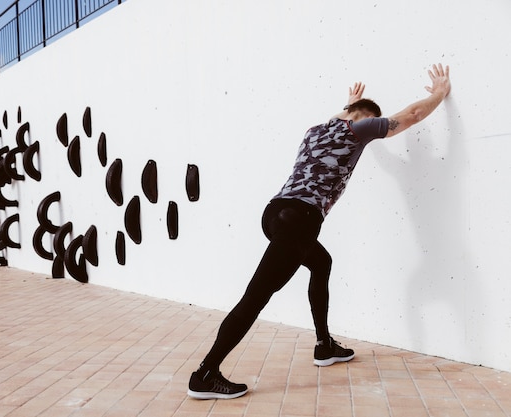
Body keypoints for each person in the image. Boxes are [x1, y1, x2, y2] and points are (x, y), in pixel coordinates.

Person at [187, 64, 452, 400]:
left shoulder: (316, 130)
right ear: (363, 117)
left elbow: (341, 117)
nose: (371, 130)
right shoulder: (361, 127)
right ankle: (205, 373)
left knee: (321, 262)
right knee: (256, 296)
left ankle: (324, 345)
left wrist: (349, 103)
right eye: (369, 120)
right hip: (300, 218)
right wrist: (439, 93)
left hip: (275, 214)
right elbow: (412, 114)